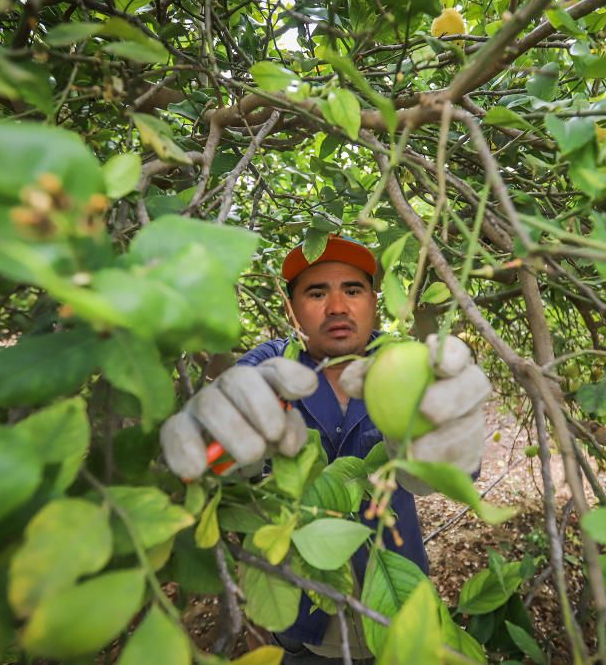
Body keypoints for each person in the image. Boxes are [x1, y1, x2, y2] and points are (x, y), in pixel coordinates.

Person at [160, 235, 492, 663]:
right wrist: (210, 442)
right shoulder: (269, 367)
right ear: (292, 308)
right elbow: (222, 443)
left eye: (352, 290)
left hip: (395, 610)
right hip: (301, 626)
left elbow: (443, 470)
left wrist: (449, 453)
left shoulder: (406, 366)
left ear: (374, 302)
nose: (337, 307)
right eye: (317, 292)